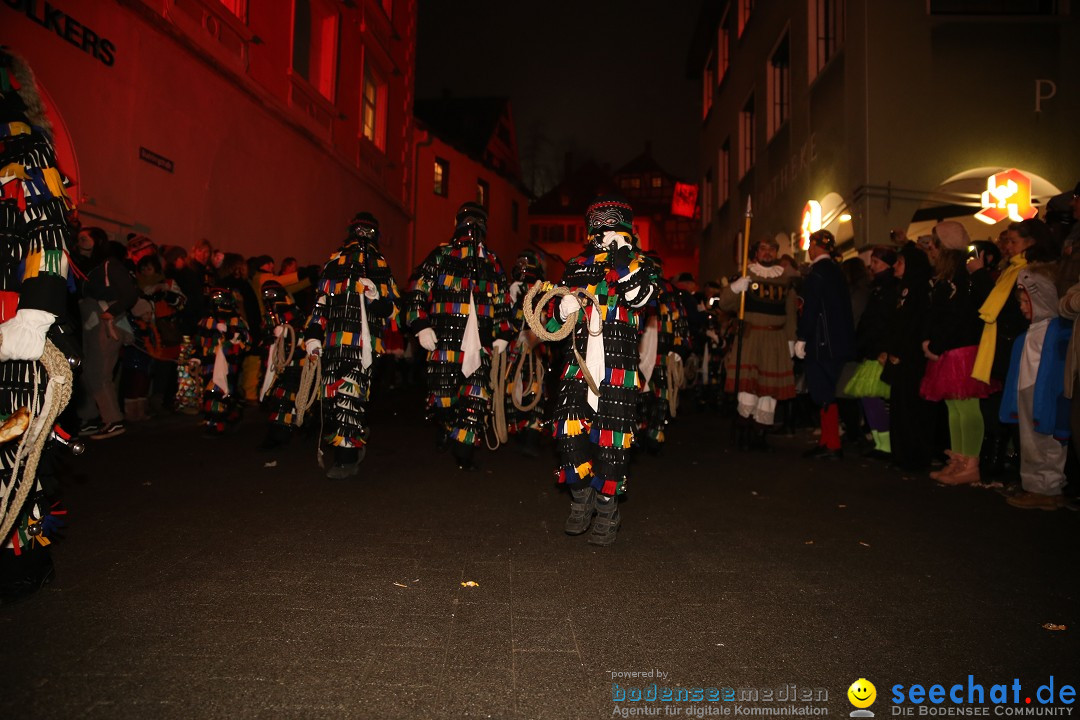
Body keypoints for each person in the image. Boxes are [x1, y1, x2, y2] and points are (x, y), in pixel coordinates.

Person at [0, 48, 75, 603]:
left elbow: (47, 228)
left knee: (17, 439)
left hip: (13, 323)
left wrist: (35, 310)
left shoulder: (23, 144)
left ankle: (23, 552)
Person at [542, 195, 659, 546]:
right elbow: (548, 325)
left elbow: (643, 299)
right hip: (578, 366)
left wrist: (623, 262)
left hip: (618, 368)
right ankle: (581, 500)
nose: (608, 234)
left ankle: (607, 508)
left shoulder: (641, 264)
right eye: (602, 229)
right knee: (567, 433)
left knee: (613, 443)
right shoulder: (575, 265)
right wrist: (561, 310)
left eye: (614, 228)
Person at [404, 202, 513, 471]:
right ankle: (446, 426)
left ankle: (464, 452)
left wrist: (502, 333)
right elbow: (418, 290)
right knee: (443, 396)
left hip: (482, 342)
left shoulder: (493, 262)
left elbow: (503, 301)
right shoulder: (441, 255)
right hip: (444, 339)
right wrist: (420, 325)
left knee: (476, 398)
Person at [304, 213, 400, 478]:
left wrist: (375, 296)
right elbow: (321, 303)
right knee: (334, 400)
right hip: (334, 343)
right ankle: (354, 437)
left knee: (350, 396)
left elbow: (392, 311)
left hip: (362, 345)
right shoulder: (333, 263)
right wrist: (313, 335)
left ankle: (345, 459)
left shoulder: (379, 264)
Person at [919, 221, 994, 485]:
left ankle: (969, 462)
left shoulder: (963, 274)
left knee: (967, 406)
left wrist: (936, 344)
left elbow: (959, 315)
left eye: (934, 243)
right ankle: (958, 459)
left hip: (962, 348)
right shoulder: (947, 275)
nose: (930, 248)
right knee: (953, 407)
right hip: (949, 348)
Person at [999, 266, 1071, 510]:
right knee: (1030, 443)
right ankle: (1034, 486)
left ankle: (1048, 489)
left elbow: (1061, 370)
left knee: (1048, 444)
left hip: (1046, 396)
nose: (1022, 308)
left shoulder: (1059, 331)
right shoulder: (1029, 333)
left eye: (1026, 302)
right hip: (1027, 393)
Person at [719, 237, 798, 450]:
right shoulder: (747, 274)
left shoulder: (785, 279)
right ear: (756, 252)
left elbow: (790, 312)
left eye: (772, 249)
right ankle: (743, 432)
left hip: (776, 340)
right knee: (748, 388)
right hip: (751, 338)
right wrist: (735, 287)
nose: (768, 253)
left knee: (769, 390)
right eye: (763, 249)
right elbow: (725, 303)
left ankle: (760, 434)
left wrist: (792, 340)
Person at [795, 230, 856, 460]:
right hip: (837, 343)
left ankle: (832, 443)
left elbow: (811, 309)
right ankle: (828, 441)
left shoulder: (818, 273)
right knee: (827, 392)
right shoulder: (835, 272)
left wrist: (803, 337)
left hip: (822, 343)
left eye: (811, 244)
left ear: (816, 246)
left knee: (824, 392)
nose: (809, 249)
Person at [844, 246, 899, 458]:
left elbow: (885, 322)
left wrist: (881, 348)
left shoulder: (889, 288)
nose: (872, 267)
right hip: (872, 349)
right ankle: (879, 442)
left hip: (879, 351)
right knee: (869, 398)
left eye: (876, 262)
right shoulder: (877, 288)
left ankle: (885, 444)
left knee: (874, 397)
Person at [194, 287, 251, 435]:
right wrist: (196, 356)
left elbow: (246, 342)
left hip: (227, 365)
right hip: (209, 364)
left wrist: (231, 334)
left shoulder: (237, 321)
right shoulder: (205, 322)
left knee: (217, 391)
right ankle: (223, 416)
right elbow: (199, 342)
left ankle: (216, 423)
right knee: (211, 392)